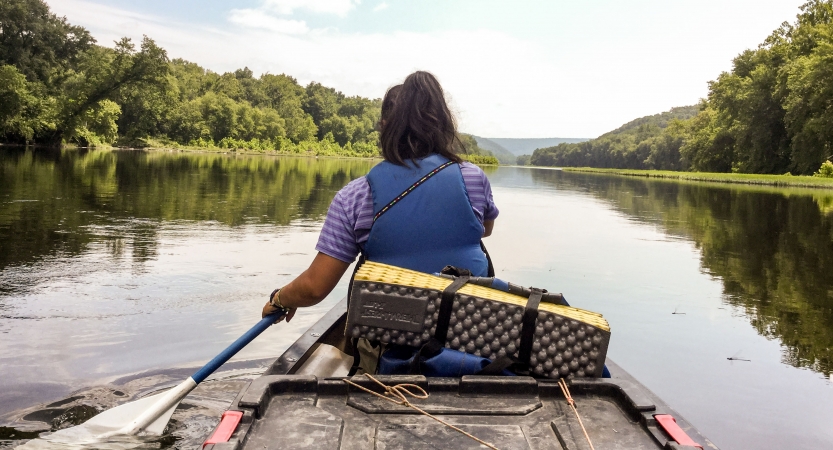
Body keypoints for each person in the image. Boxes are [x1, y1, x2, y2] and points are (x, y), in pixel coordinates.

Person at [261, 71, 499, 339]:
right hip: (470, 339)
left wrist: (281, 298)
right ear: (442, 125)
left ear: (385, 126)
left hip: (392, 346)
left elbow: (315, 287)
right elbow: (483, 230)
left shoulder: (354, 196)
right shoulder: (474, 178)